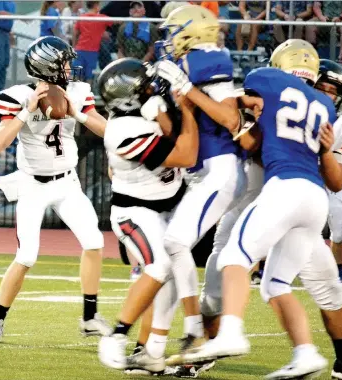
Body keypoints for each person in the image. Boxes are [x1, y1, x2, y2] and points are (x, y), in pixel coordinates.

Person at [182, 39, 341, 379]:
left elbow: (238, 110)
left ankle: (230, 334)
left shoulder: (267, 83)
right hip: (305, 201)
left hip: (280, 192)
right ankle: (305, 354)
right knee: (268, 286)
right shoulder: (323, 108)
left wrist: (190, 90)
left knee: (232, 261)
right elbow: (253, 140)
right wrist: (243, 125)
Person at [124, 4, 246, 370]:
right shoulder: (181, 65)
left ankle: (193, 332)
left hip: (219, 169)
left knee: (174, 244)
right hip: (199, 175)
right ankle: (156, 349)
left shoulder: (208, 58)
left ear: (192, 32)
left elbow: (230, 117)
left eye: (173, 32)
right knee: (168, 258)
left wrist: (187, 89)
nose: (167, 40)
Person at [0, 36, 111, 344]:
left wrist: (78, 114)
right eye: (64, 62)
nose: (70, 67)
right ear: (48, 66)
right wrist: (26, 111)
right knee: (27, 256)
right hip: (32, 185)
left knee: (93, 242)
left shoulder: (77, 92)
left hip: (67, 182)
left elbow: (108, 131)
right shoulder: (17, 96)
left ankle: (90, 317)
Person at [97, 57, 199, 373]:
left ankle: (150, 353)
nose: (154, 88)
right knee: (159, 266)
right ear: (131, 95)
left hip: (167, 206)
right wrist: (188, 107)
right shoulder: (123, 129)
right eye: (146, 85)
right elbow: (187, 155)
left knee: (170, 272)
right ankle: (115, 337)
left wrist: (169, 104)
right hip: (136, 212)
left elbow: (175, 133)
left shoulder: (147, 109)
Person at [315, 59, 342, 286]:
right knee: (334, 233)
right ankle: (336, 271)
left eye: (332, 91)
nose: (328, 95)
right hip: (322, 187)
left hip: (338, 184)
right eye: (322, 89)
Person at [72, 1, 113, 84]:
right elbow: (115, 22)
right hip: (92, 51)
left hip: (80, 49)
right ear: (96, 6)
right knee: (89, 76)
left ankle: (74, 94)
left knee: (76, 75)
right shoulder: (102, 18)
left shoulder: (82, 17)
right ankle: (87, 95)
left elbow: (75, 33)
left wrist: (74, 47)